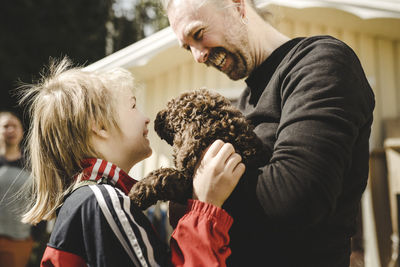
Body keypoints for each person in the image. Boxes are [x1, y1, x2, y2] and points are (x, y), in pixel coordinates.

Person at [163, 0, 375, 266]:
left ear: (237, 6)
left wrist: (200, 194)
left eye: (198, 34)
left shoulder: (320, 62)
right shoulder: (244, 102)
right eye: (188, 47)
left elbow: (292, 201)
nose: (198, 56)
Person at [19, 58, 245, 267]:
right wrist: (205, 207)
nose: (146, 117)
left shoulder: (91, 198)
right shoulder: (103, 201)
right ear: (100, 126)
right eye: (133, 105)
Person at [0, 111, 34, 267]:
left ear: (22, 131)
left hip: (18, 240)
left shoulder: (32, 165)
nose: (11, 130)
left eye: (15, 126)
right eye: (6, 126)